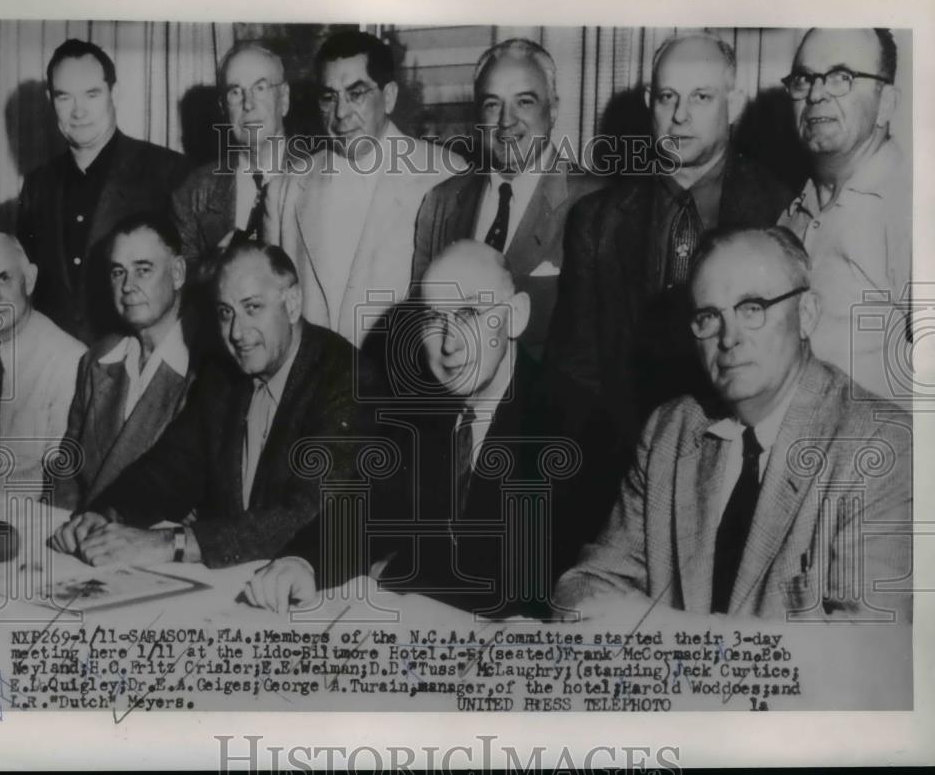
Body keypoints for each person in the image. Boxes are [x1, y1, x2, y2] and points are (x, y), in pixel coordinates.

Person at [554, 225, 912, 622]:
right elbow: (585, 585)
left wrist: (666, 629)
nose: (729, 339)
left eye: (752, 308)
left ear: (807, 315)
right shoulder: (670, 431)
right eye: (709, 316)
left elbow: (865, 647)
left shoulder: (879, 444)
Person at [246, 241, 586, 617]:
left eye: (470, 312)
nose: (450, 342)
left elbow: (524, 585)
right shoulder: (422, 410)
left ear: (516, 315)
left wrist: (390, 572)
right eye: (433, 319)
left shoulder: (571, 422)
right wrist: (304, 561)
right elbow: (365, 509)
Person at [545, 33, 793, 520]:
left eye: (701, 97)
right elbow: (574, 371)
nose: (680, 116)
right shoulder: (596, 218)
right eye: (667, 97)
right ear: (648, 103)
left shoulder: (780, 208)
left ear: (734, 103)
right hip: (616, 483)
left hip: (743, 482)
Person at [49, 241, 381, 570]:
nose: (237, 332)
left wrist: (173, 543)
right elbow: (171, 467)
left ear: (292, 303)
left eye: (253, 308)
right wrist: (107, 514)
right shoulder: (224, 374)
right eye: (225, 313)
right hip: (238, 579)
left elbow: (305, 514)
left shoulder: (347, 377)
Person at [270, 30, 466, 349]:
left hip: (399, 387)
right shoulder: (286, 187)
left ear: (388, 97)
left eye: (356, 93)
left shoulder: (447, 175)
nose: (341, 113)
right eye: (329, 97)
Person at [411, 38, 604, 360]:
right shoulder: (441, 201)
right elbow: (423, 321)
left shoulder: (598, 202)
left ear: (553, 108)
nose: (505, 121)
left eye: (524, 102)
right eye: (492, 104)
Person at [17, 39, 190, 342]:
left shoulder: (168, 172)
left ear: (115, 93)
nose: (78, 111)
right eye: (64, 97)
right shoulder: (37, 185)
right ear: (50, 100)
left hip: (135, 370)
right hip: (56, 375)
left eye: (91, 94)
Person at [778, 28, 910, 402]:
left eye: (841, 78)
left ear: (886, 103)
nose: (816, 94)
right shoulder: (789, 215)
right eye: (805, 78)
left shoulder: (911, 209)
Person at [50, 213, 194, 512]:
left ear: (178, 273)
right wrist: (63, 526)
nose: (127, 286)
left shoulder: (204, 372)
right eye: (118, 272)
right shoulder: (98, 359)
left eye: (143, 270)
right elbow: (68, 465)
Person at [0, 232, 86, 489]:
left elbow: (62, 479)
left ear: (29, 279)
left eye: (3, 278)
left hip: (24, 513)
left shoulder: (69, 360)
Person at [171, 40, 290, 266]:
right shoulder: (191, 194)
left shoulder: (321, 179)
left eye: (260, 88)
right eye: (235, 92)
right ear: (224, 108)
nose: (248, 104)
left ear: (284, 99)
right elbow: (182, 290)